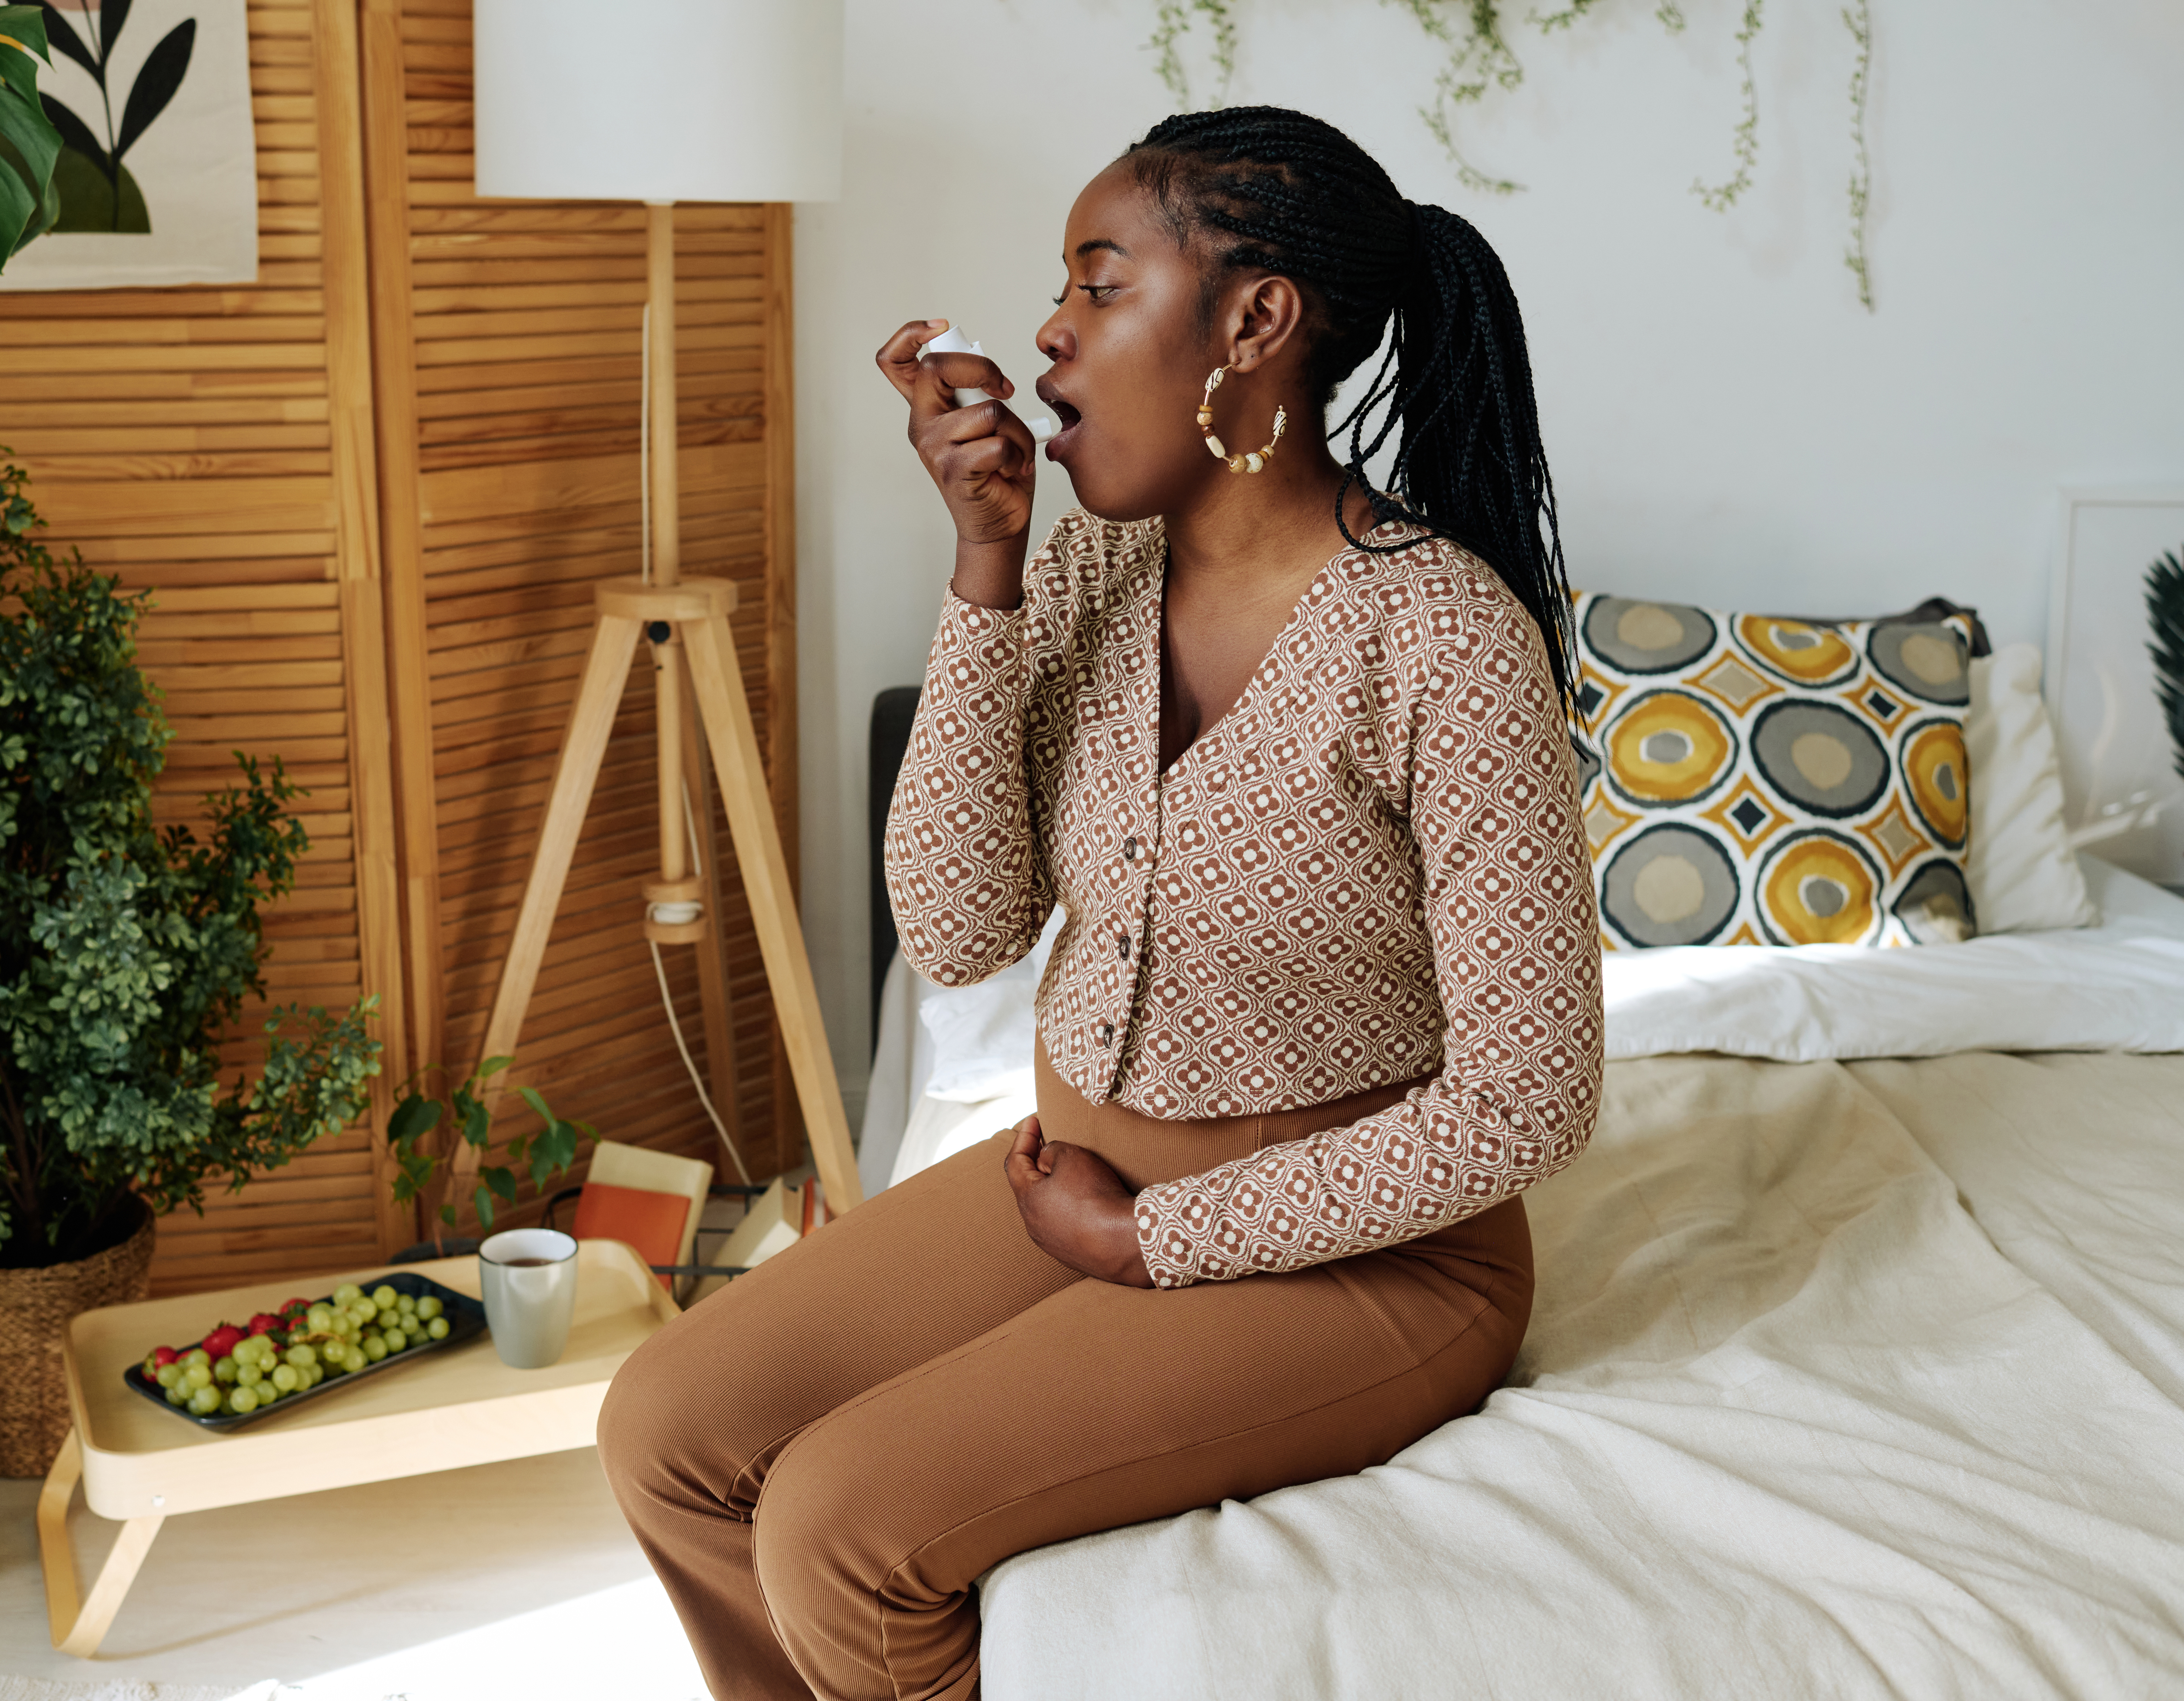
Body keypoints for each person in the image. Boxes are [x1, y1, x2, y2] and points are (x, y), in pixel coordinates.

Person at [599, 105, 1604, 1701]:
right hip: (1081, 1178)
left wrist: (1160, 1238)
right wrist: (986, 565)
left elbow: (1527, 1104)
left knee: (836, 1529)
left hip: (1376, 1260)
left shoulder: (1443, 641)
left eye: (1100, 283)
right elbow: (958, 929)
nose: (1051, 335)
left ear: (1256, 323)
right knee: (663, 1430)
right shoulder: (1080, 582)